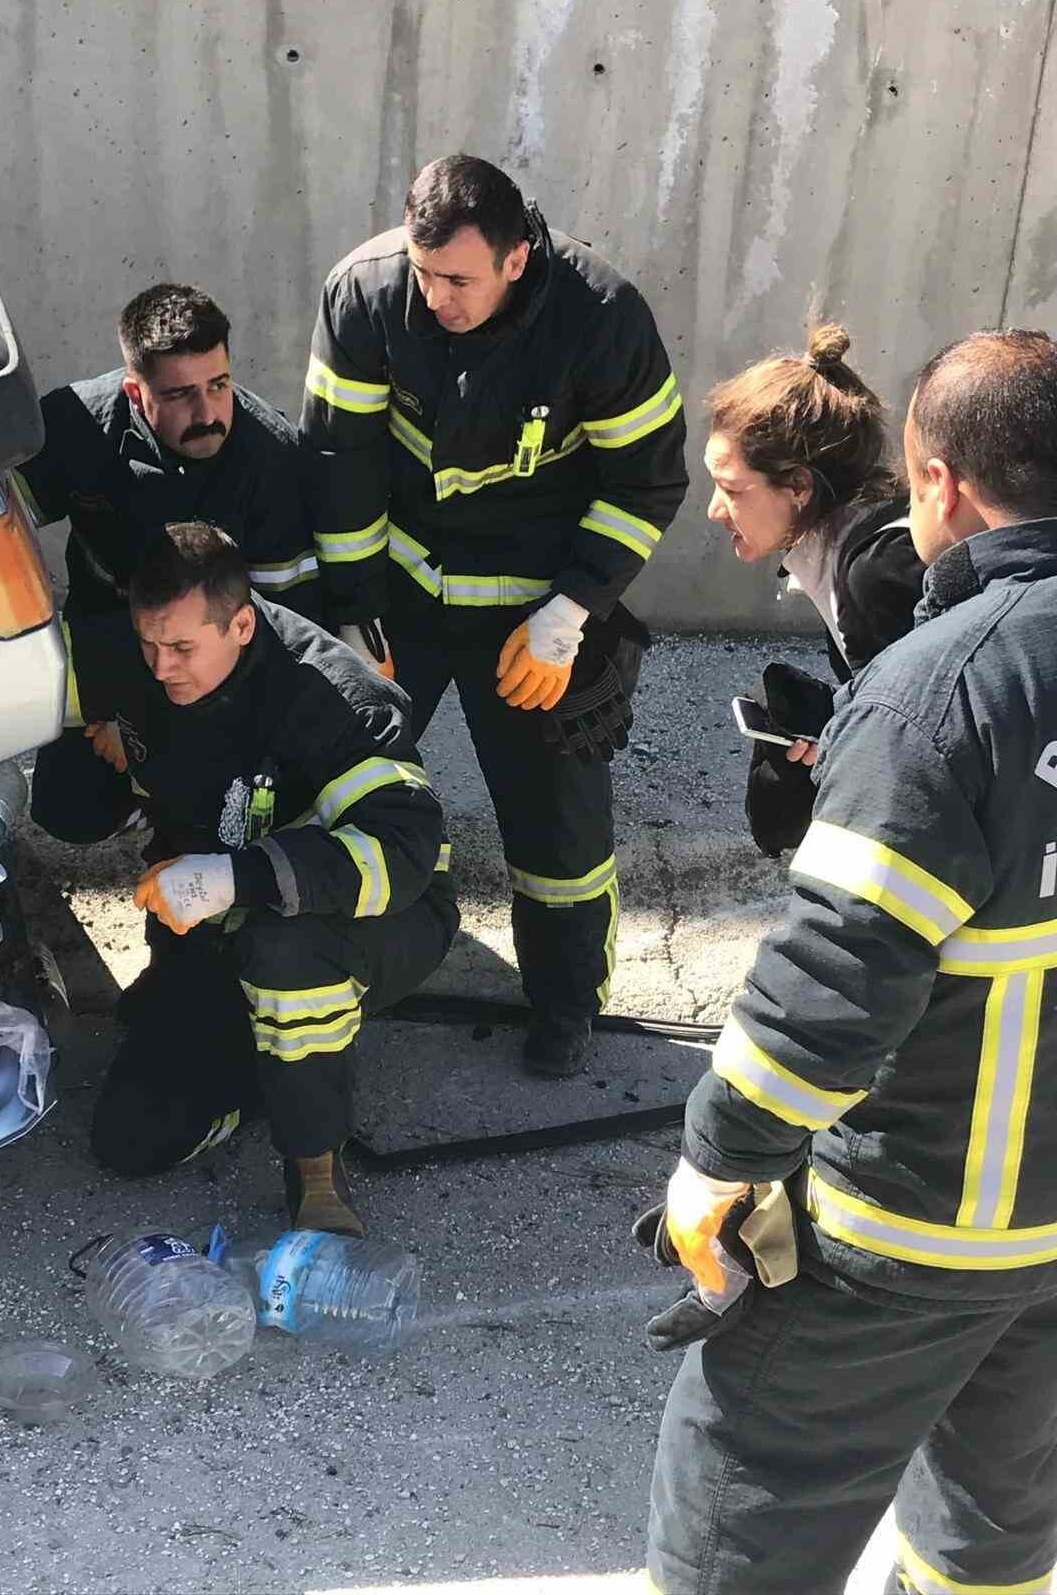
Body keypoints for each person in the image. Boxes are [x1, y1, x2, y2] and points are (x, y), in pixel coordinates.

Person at [645, 328, 1057, 1594]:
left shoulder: (945, 688)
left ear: (940, 481)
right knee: (994, 1526)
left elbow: (833, 977)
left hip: (917, 1224)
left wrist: (720, 1158)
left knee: (740, 1487)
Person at [300, 153, 688, 1078]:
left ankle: (566, 1003)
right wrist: (353, 612)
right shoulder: (365, 293)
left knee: (559, 827)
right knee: (337, 777)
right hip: (403, 598)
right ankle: (327, 969)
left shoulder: (602, 317)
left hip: (535, 611)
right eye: (424, 272)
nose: (436, 298)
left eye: (459, 280)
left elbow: (647, 482)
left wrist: (572, 612)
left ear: (518, 258)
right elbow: (339, 461)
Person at [43, 522, 458, 1237]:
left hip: (375, 911)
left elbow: (401, 851)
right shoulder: (147, 653)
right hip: (223, 911)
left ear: (240, 625)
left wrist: (233, 879)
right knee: (130, 1142)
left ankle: (316, 1172)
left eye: (181, 650)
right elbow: (27, 702)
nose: (161, 668)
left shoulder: (333, 699)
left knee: (283, 954)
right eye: (148, 645)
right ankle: (259, 1063)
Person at [25, 283, 321, 842]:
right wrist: (114, 703)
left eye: (219, 385)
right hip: (107, 643)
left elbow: (286, 629)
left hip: (215, 669)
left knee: (224, 823)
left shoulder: (272, 460)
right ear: (134, 394)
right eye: (181, 394)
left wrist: (146, 721)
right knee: (67, 810)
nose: (207, 413)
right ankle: (142, 802)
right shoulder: (75, 425)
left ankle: (178, 809)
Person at [704, 322, 924, 855]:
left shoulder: (879, 575)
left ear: (799, 486)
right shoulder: (858, 543)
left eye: (731, 489)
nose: (714, 510)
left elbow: (924, 748)